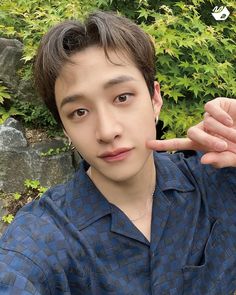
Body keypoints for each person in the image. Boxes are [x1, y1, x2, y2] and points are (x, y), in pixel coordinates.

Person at [0, 11, 235, 295]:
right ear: (65, 128)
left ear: (154, 98)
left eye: (122, 97)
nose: (107, 131)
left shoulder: (217, 178)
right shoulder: (42, 239)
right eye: (79, 112)